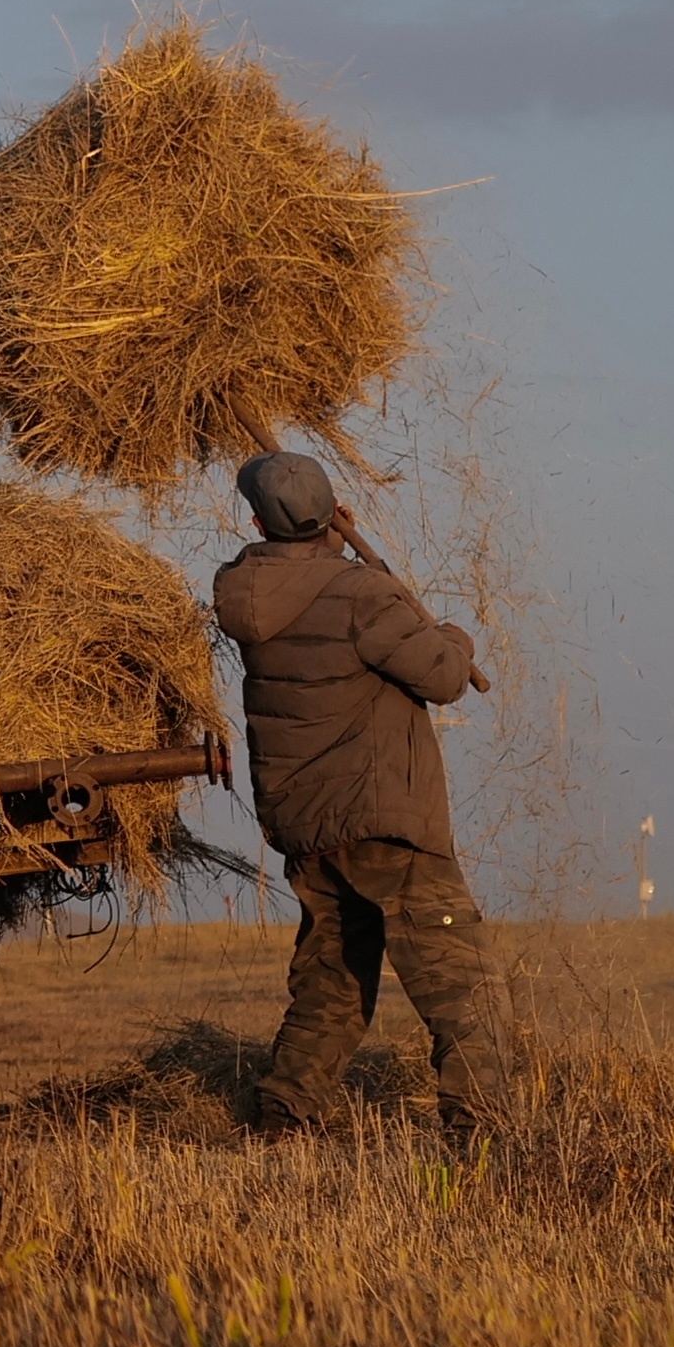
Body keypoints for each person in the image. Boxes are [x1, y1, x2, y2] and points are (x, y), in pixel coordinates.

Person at [213, 449, 509, 1138]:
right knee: (462, 986)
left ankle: (286, 1114)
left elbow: (303, 582)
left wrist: (328, 546)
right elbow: (439, 675)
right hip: (382, 818)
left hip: (306, 824)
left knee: (332, 981)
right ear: (331, 515)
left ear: (256, 521)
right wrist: (453, 636)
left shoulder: (243, 590)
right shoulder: (363, 595)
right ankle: (480, 1131)